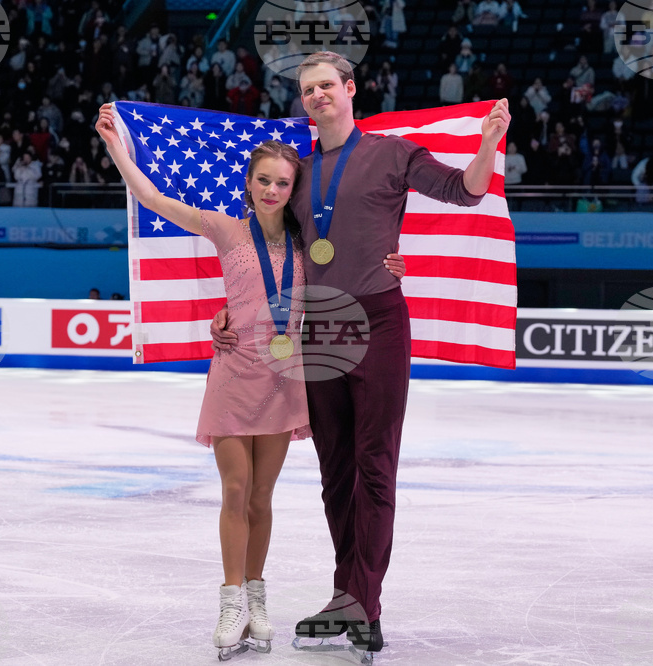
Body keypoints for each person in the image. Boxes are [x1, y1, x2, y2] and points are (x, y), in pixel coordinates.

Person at [210, 50, 510, 656]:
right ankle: (348, 591)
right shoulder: (296, 174)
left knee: (375, 465)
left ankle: (364, 605)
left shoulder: (393, 153)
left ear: (351, 89)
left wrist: (487, 144)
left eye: (326, 85)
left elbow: (465, 190)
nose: (317, 96)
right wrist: (228, 311)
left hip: (377, 323)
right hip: (317, 332)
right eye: (307, 89)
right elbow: (271, 256)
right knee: (334, 473)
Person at [94, 103, 407, 660]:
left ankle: (258, 600)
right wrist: (117, 146)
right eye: (263, 180)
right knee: (235, 491)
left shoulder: (311, 244)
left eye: (282, 183)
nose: (271, 190)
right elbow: (154, 199)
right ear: (249, 181)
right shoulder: (224, 228)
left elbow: (359, 256)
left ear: (293, 189)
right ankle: (232, 601)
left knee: (262, 497)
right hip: (235, 376)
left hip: (285, 382)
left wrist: (393, 263)